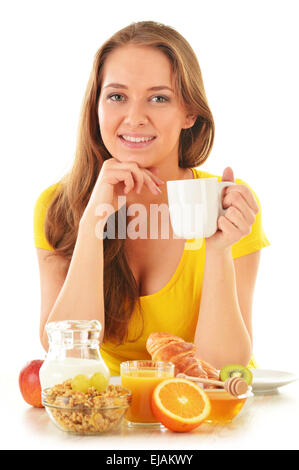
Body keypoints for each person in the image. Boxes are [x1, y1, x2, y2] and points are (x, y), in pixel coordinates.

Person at [34, 20, 270, 375]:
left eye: (159, 98)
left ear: (189, 112)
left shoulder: (224, 202)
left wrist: (219, 249)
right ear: (96, 107)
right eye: (117, 96)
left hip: (204, 417)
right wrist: (91, 226)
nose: (134, 118)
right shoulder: (57, 207)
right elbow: (67, 358)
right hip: (121, 419)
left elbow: (222, 369)